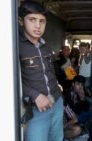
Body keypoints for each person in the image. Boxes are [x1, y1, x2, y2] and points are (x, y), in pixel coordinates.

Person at [18, 1, 63, 141]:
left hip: (56, 102)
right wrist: (35, 95)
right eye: (32, 20)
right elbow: (9, 79)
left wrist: (58, 90)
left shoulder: (46, 47)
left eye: (42, 21)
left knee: (56, 138)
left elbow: (50, 73)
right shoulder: (15, 46)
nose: (38, 26)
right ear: (21, 21)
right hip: (36, 108)